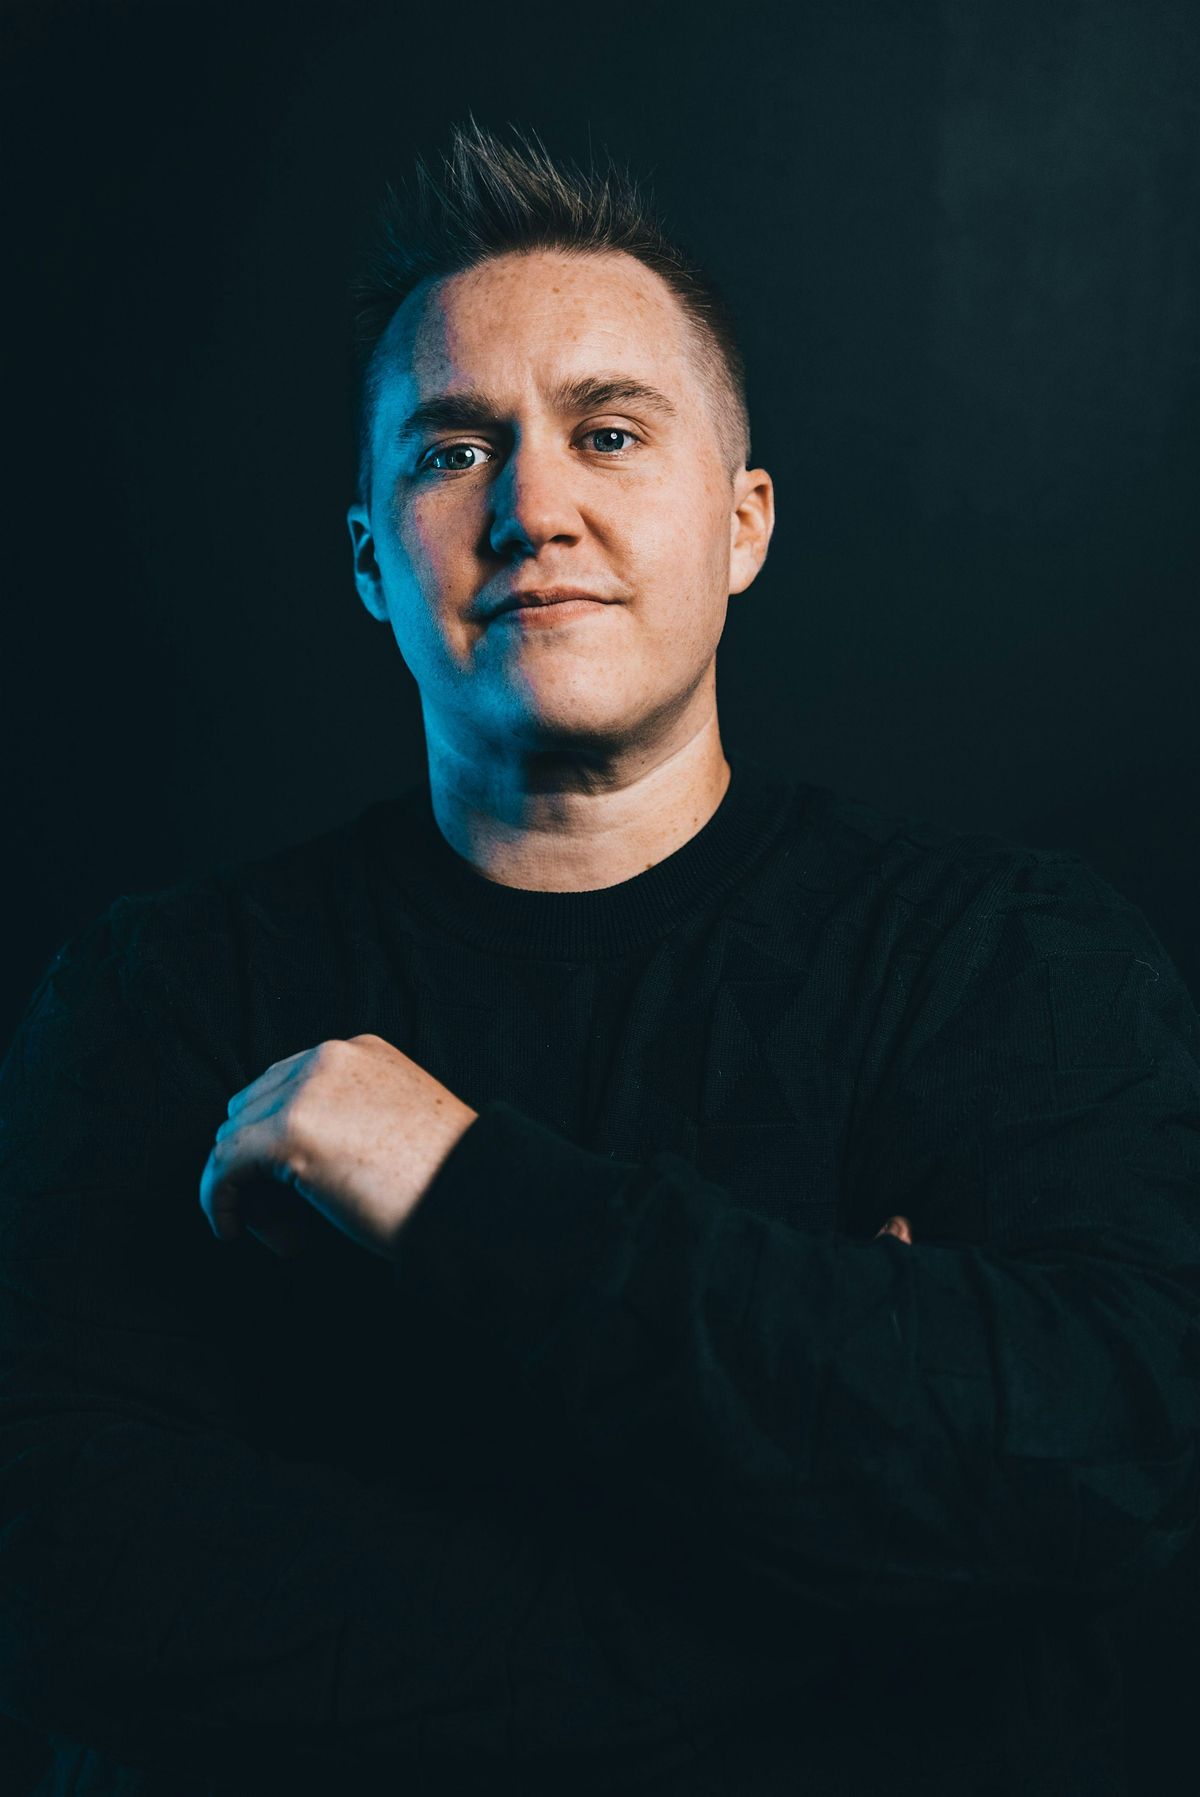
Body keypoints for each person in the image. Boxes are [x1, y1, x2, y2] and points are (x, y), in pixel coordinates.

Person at [0, 115, 1197, 1797]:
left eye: (610, 432)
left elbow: (1107, 1455)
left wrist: (454, 1186)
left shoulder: (1003, 967)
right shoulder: (166, 1000)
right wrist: (859, 1604)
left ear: (743, 523)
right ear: (370, 560)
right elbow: (68, 1577)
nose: (533, 508)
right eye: (451, 451)